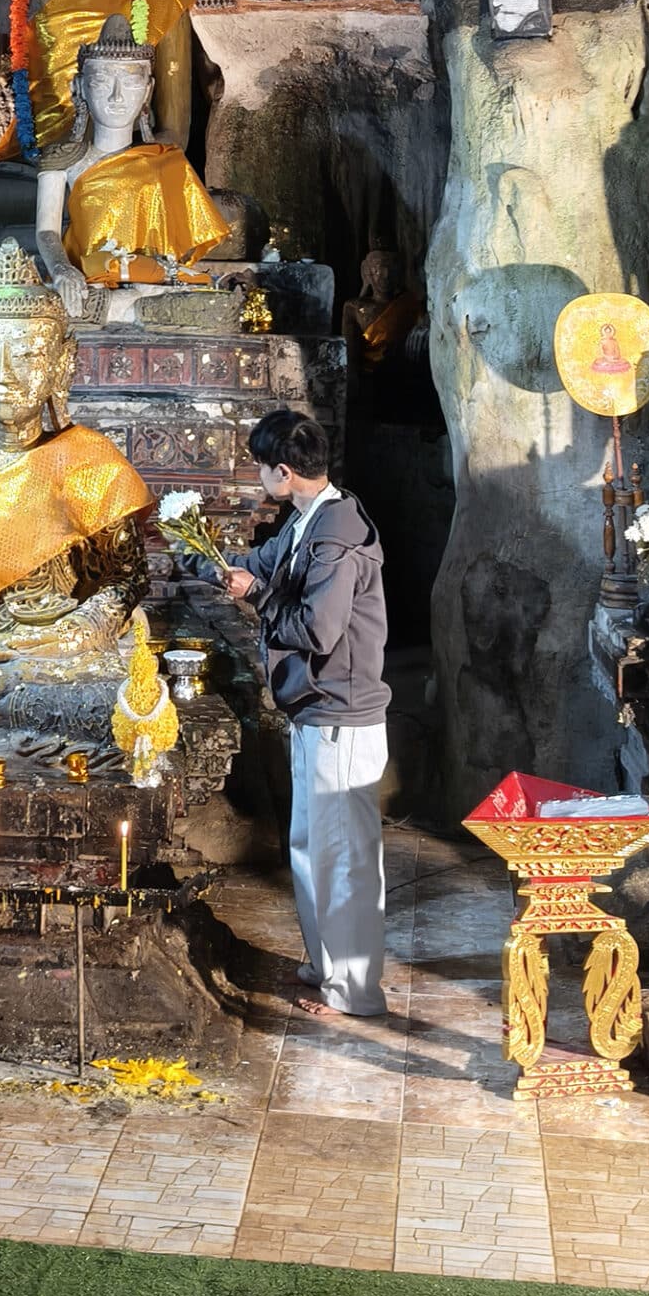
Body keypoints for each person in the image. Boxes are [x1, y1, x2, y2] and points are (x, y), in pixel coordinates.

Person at [224, 409, 390, 1019]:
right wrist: (194, 549)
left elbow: (319, 632)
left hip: (342, 713)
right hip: (314, 710)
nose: (260, 477)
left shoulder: (336, 534)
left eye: (263, 468)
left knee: (343, 855)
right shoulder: (308, 519)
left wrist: (257, 596)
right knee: (310, 845)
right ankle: (327, 965)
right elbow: (264, 566)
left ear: (285, 472)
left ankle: (355, 991)